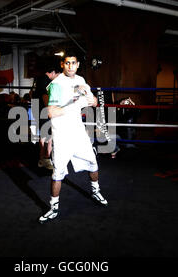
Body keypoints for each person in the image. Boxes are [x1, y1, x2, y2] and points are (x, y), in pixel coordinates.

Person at [38, 52, 108, 224]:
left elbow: (94, 103)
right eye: (67, 63)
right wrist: (76, 104)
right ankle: (54, 207)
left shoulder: (81, 80)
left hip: (78, 133)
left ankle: (95, 191)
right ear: (63, 65)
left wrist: (90, 98)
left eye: (73, 63)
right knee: (58, 173)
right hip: (62, 136)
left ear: (77, 65)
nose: (70, 66)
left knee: (93, 163)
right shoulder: (56, 84)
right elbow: (51, 112)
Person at [32, 65, 60, 170]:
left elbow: (32, 93)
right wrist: (51, 111)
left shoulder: (38, 79)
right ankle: (46, 159)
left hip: (38, 108)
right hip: (43, 109)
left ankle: (43, 159)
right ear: (53, 72)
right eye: (57, 75)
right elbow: (45, 97)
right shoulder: (46, 80)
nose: (58, 77)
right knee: (48, 135)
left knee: (46, 134)